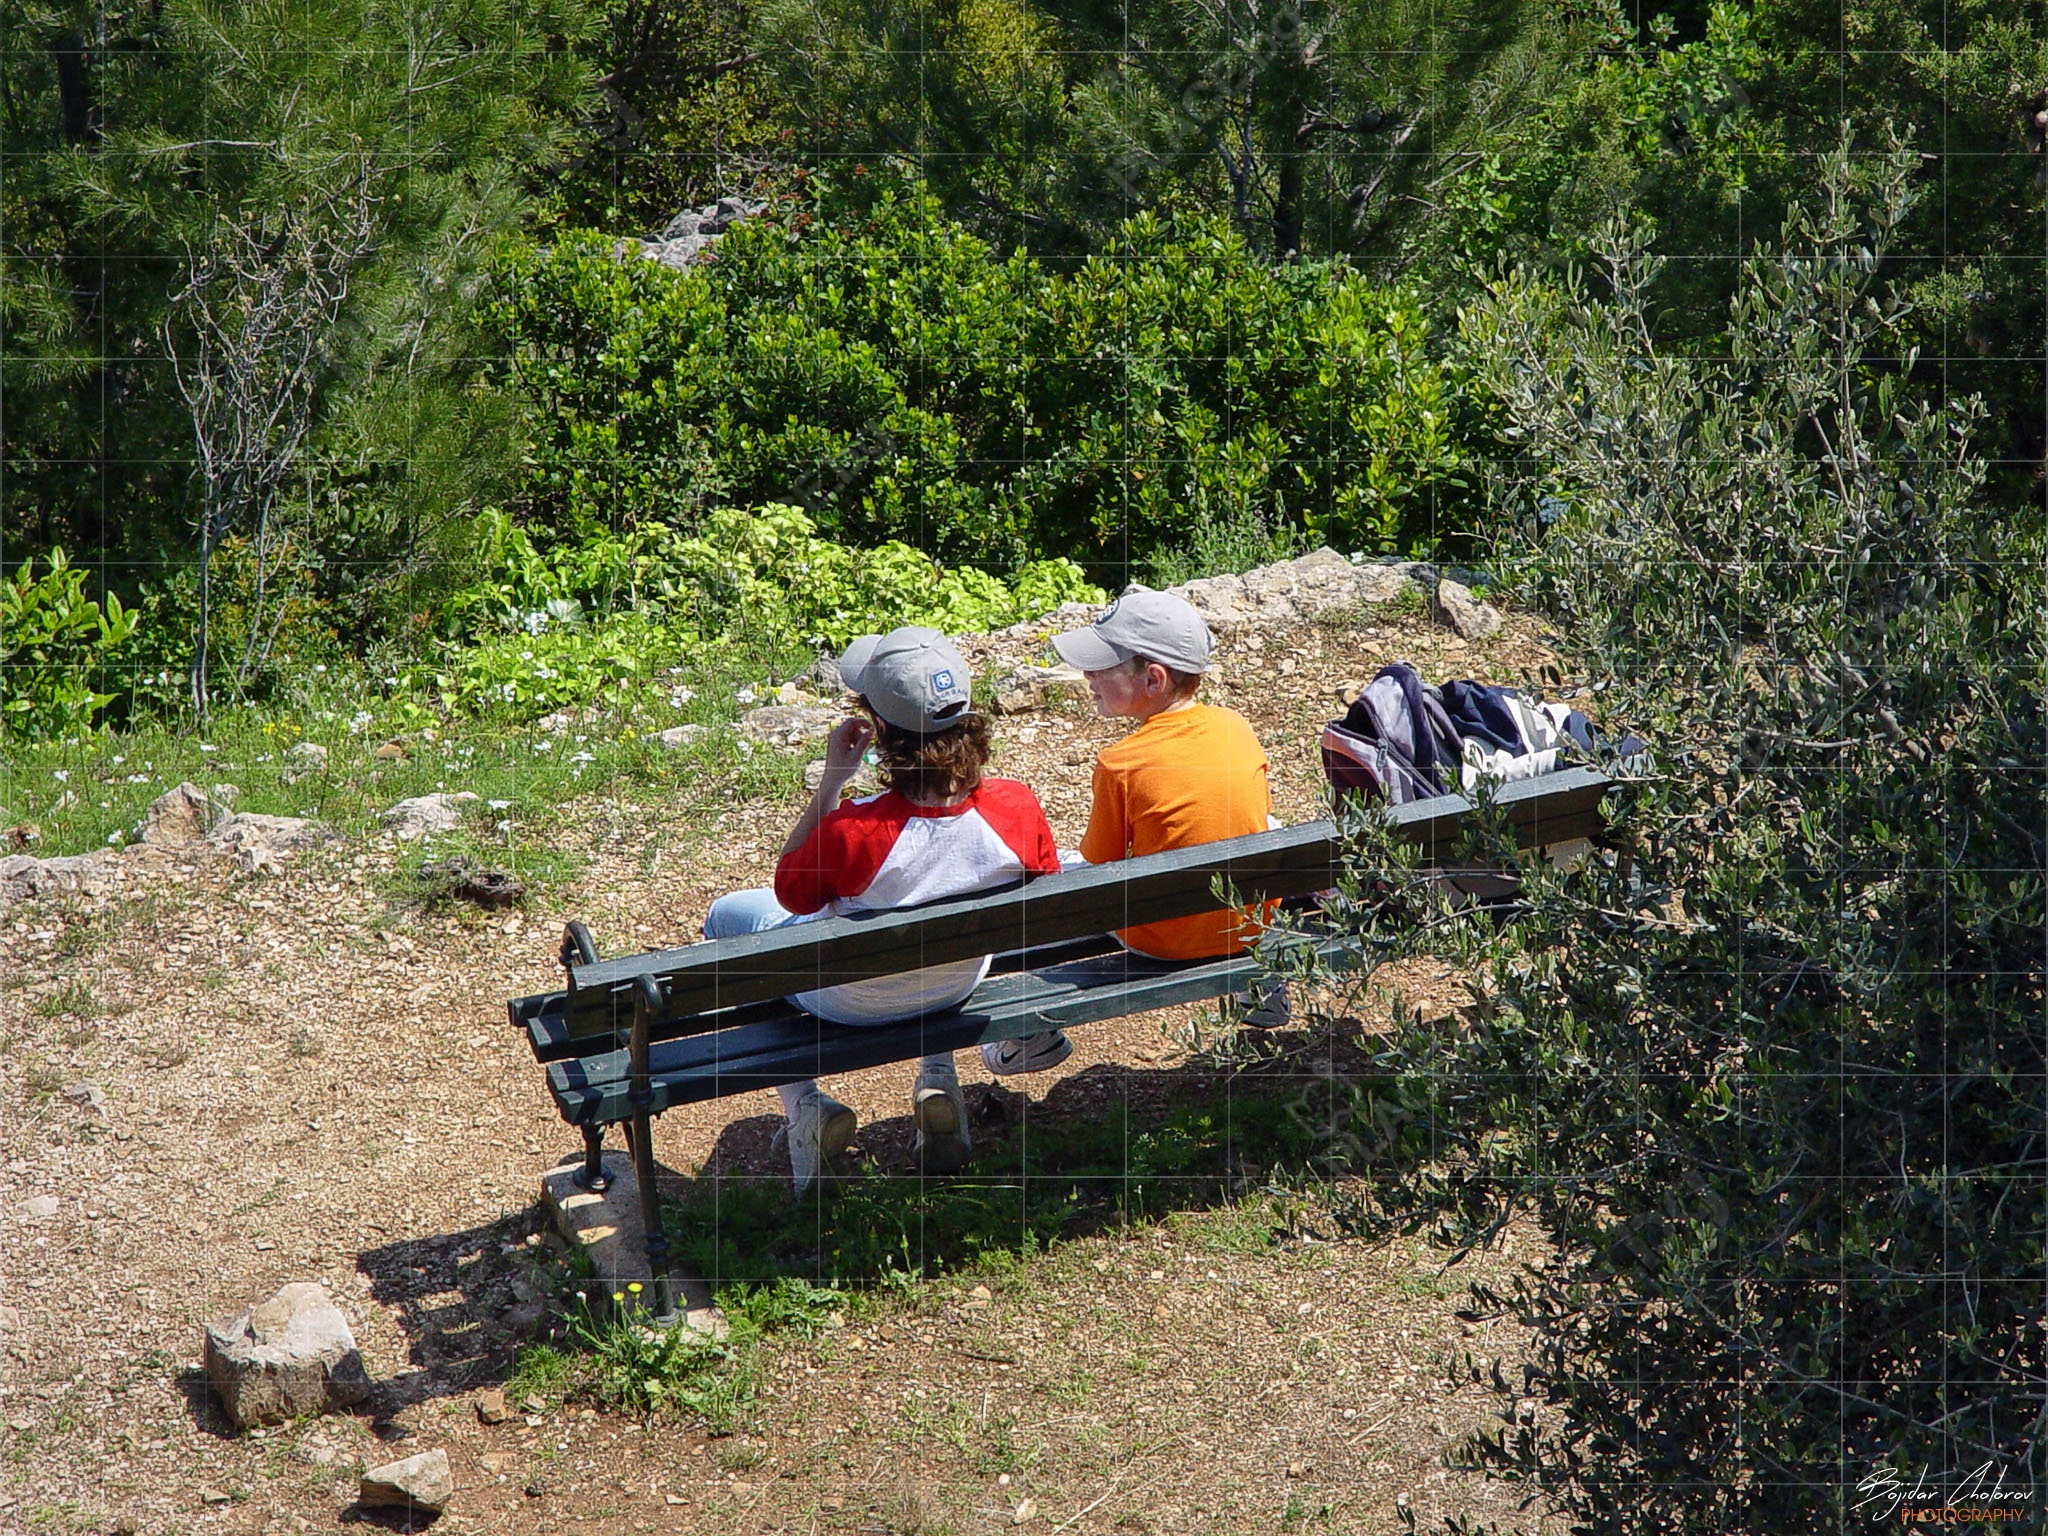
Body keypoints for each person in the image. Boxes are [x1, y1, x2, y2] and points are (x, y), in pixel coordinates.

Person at [702, 626, 1059, 1192]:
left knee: (729, 918)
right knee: (939, 914)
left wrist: (831, 784)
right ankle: (938, 1078)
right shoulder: (1016, 808)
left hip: (846, 1000)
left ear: (883, 731)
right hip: (955, 983)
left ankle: (806, 1110)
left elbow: (790, 891)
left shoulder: (855, 830)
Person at [980, 590, 1282, 1078]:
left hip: (1160, 938)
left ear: (1153, 678)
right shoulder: (1235, 727)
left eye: (1102, 667)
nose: (1087, 677)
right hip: (1246, 928)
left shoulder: (1120, 763)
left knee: (1043, 880)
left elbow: (1098, 865)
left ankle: (1030, 1035)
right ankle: (1261, 992)